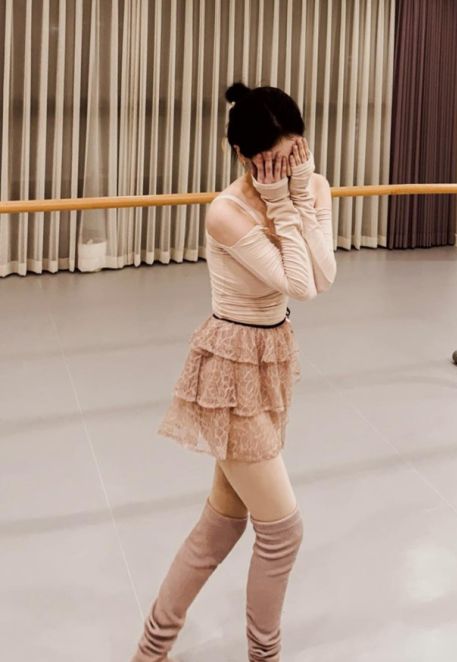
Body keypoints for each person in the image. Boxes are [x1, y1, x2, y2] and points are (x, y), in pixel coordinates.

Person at [130, 82, 337, 662]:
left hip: (272, 357)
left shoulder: (313, 185)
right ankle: (263, 655)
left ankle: (150, 649)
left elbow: (324, 275)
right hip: (230, 366)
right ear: (244, 156)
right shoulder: (226, 211)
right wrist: (281, 204)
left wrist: (300, 192)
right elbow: (298, 284)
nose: (286, 167)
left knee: (223, 522)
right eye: (273, 159)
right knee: (282, 531)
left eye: (295, 153)